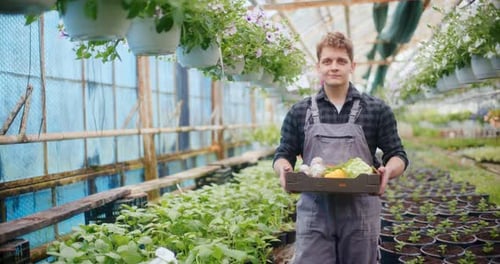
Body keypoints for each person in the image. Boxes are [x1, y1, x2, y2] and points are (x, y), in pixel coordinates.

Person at [272, 31, 408, 264]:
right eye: (327, 61)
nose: (334, 67)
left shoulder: (376, 110)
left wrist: (388, 171)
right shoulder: (299, 111)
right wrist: (283, 171)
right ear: (318, 66)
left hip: (360, 213)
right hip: (315, 212)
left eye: (341, 61)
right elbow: (283, 154)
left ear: (352, 65)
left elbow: (398, 155)